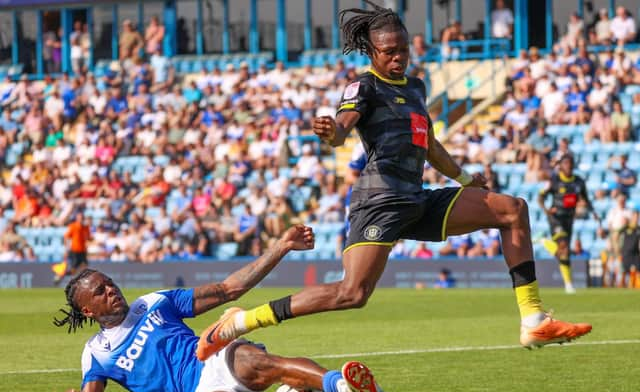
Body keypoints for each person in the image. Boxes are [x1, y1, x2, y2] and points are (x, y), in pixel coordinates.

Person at [197, 0, 592, 362]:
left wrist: (467, 180)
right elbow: (341, 129)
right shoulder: (364, 87)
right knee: (352, 294)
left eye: (403, 49)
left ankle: (533, 319)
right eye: (389, 52)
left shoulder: (417, 88)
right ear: (372, 51)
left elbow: (429, 145)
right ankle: (243, 322)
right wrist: (330, 132)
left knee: (512, 209)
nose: (398, 58)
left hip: (416, 198)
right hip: (379, 202)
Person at [50, 226, 381, 392]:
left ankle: (342, 386)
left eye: (110, 283)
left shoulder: (153, 303)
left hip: (213, 357)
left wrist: (280, 248)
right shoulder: (95, 354)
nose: (111, 290)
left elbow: (228, 290)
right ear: (87, 310)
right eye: (100, 291)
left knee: (260, 361)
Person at [538, 155, 600, 294]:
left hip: (569, 219)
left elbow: (585, 199)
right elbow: (540, 196)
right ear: (561, 165)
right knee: (564, 247)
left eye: (570, 163)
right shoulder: (554, 180)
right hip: (556, 218)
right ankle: (568, 285)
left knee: (563, 253)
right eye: (566, 163)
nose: (568, 166)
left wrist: (593, 212)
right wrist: (546, 210)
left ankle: (543, 241)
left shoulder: (579, 182)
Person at [54, 211, 91, 286]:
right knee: (73, 269)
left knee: (85, 266)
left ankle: (79, 282)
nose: (81, 219)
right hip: (75, 251)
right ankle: (60, 275)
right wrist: (66, 249)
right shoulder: (73, 226)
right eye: (79, 218)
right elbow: (66, 237)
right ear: (77, 219)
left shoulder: (86, 227)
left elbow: (88, 238)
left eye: (82, 218)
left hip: (83, 251)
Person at [618, 209, 640, 289]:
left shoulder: (638, 229)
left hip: (636, 253)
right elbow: (617, 235)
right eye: (635, 216)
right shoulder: (626, 227)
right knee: (624, 271)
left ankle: (636, 286)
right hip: (626, 252)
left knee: (638, 271)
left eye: (637, 217)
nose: (636, 218)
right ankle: (622, 287)